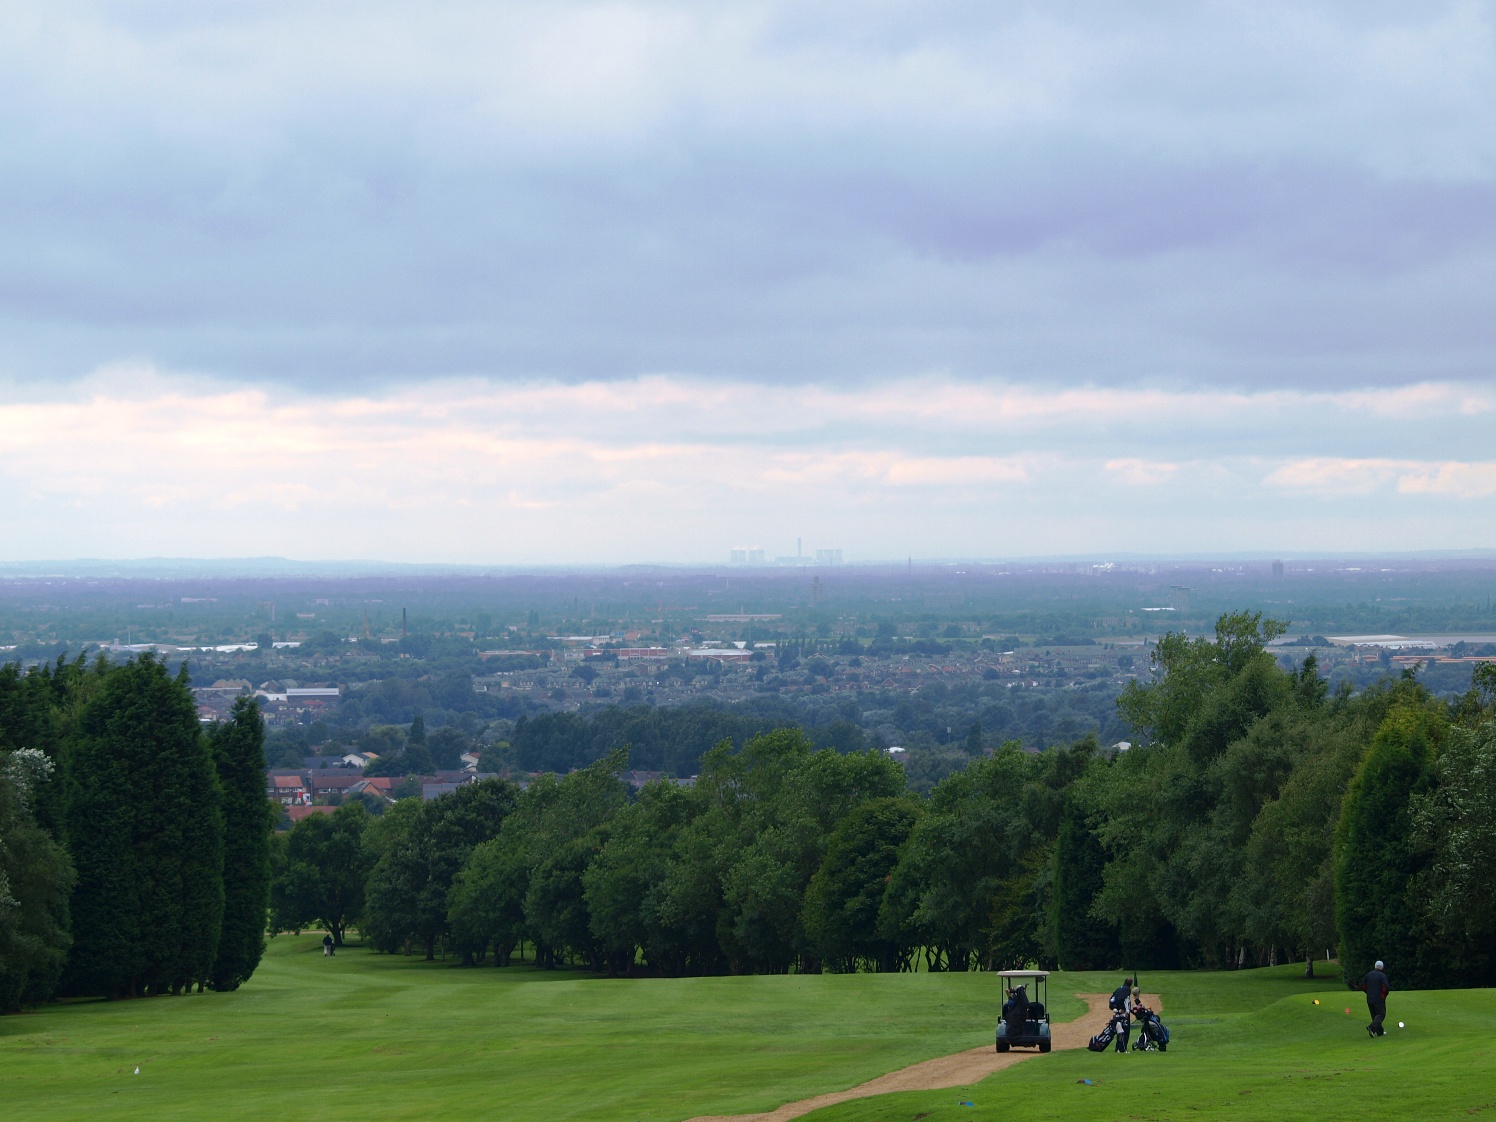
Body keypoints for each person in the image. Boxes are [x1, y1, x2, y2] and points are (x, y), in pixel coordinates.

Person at [1357, 960, 1390, 1037]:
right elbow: (1386, 987)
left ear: (1375, 966)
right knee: (1381, 1014)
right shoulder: (1382, 976)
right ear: (1382, 967)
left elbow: (1363, 986)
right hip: (1379, 998)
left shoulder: (1368, 975)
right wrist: (1384, 995)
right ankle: (1371, 1028)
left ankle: (1380, 1032)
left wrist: (1368, 992)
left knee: (1375, 1016)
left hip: (1369, 998)